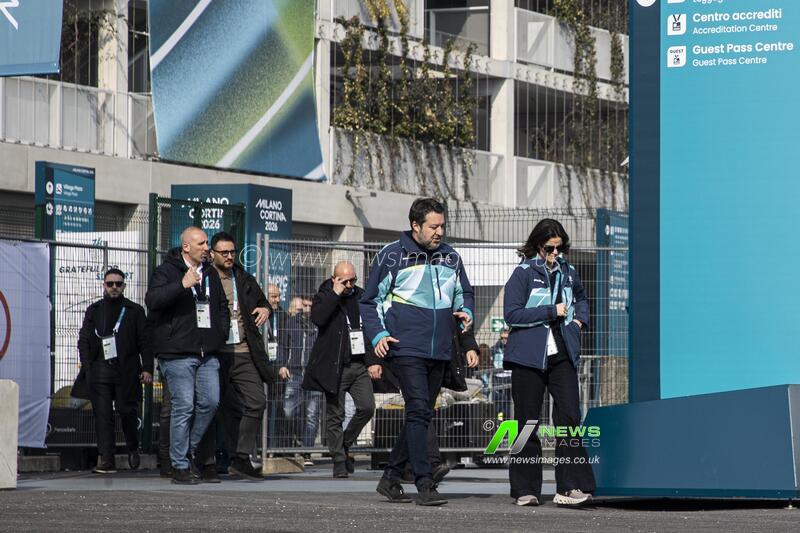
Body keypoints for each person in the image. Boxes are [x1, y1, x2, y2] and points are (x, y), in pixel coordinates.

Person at [361, 197, 474, 506]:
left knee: (420, 414)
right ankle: (424, 483)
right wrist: (379, 335)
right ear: (415, 225)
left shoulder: (451, 257)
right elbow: (369, 301)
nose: (440, 232)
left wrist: (466, 311)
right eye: (433, 226)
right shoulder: (391, 255)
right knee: (419, 410)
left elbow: (464, 293)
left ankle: (390, 477)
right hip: (405, 346)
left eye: (442, 226)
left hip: (440, 350)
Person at [503, 218, 596, 507]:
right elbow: (512, 314)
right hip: (527, 357)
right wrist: (550, 311)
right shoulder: (522, 273)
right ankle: (525, 489)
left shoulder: (569, 271)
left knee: (570, 418)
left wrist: (579, 321)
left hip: (562, 354)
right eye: (549, 248)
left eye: (559, 248)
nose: (555, 253)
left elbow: (581, 298)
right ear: (537, 246)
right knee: (527, 422)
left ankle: (570, 486)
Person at [145, 226, 229, 485]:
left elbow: (221, 307)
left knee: (211, 402)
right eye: (201, 243)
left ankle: (185, 451)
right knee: (183, 407)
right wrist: (182, 285)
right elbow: (153, 300)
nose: (206, 248)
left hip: (207, 352)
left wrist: (220, 333)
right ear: (186, 247)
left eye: (206, 243)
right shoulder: (166, 271)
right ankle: (179, 465)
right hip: (177, 353)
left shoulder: (211, 273)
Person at [302, 261, 381, 478]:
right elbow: (318, 319)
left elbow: (371, 329)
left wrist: (373, 360)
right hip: (335, 366)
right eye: (344, 281)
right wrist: (334, 294)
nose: (349, 285)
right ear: (334, 279)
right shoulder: (324, 295)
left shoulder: (361, 296)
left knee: (367, 407)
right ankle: (338, 460)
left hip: (359, 363)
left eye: (352, 280)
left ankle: (344, 443)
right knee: (335, 414)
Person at [209, 232, 275, 480]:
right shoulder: (205, 277)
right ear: (212, 253)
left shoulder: (243, 277)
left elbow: (263, 302)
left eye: (232, 252)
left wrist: (266, 309)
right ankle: (213, 460)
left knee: (257, 401)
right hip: (216, 353)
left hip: (244, 351)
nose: (229, 256)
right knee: (218, 407)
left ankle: (241, 455)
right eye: (223, 252)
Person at [78, 268, 152, 474]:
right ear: (104, 285)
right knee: (103, 415)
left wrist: (147, 368)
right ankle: (106, 459)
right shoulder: (94, 310)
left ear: (124, 286)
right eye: (110, 284)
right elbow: (84, 339)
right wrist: (87, 367)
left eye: (118, 284)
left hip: (126, 370)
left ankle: (132, 447)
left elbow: (145, 342)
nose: (114, 287)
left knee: (127, 412)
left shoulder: (135, 311)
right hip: (100, 370)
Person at [278, 294, 321, 464]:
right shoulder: (292, 322)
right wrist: (282, 364)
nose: (308, 309)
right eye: (305, 306)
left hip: (314, 375)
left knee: (312, 414)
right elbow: (283, 345)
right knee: (289, 411)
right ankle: (298, 438)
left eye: (311, 306)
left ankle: (307, 451)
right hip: (295, 373)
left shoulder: (320, 323)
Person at [489, 328, 513, 420]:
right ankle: (499, 420)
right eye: (502, 338)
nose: (504, 340)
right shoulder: (494, 349)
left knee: (508, 400)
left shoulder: (513, 348)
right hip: (498, 377)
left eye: (506, 338)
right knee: (499, 400)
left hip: (510, 377)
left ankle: (508, 419)